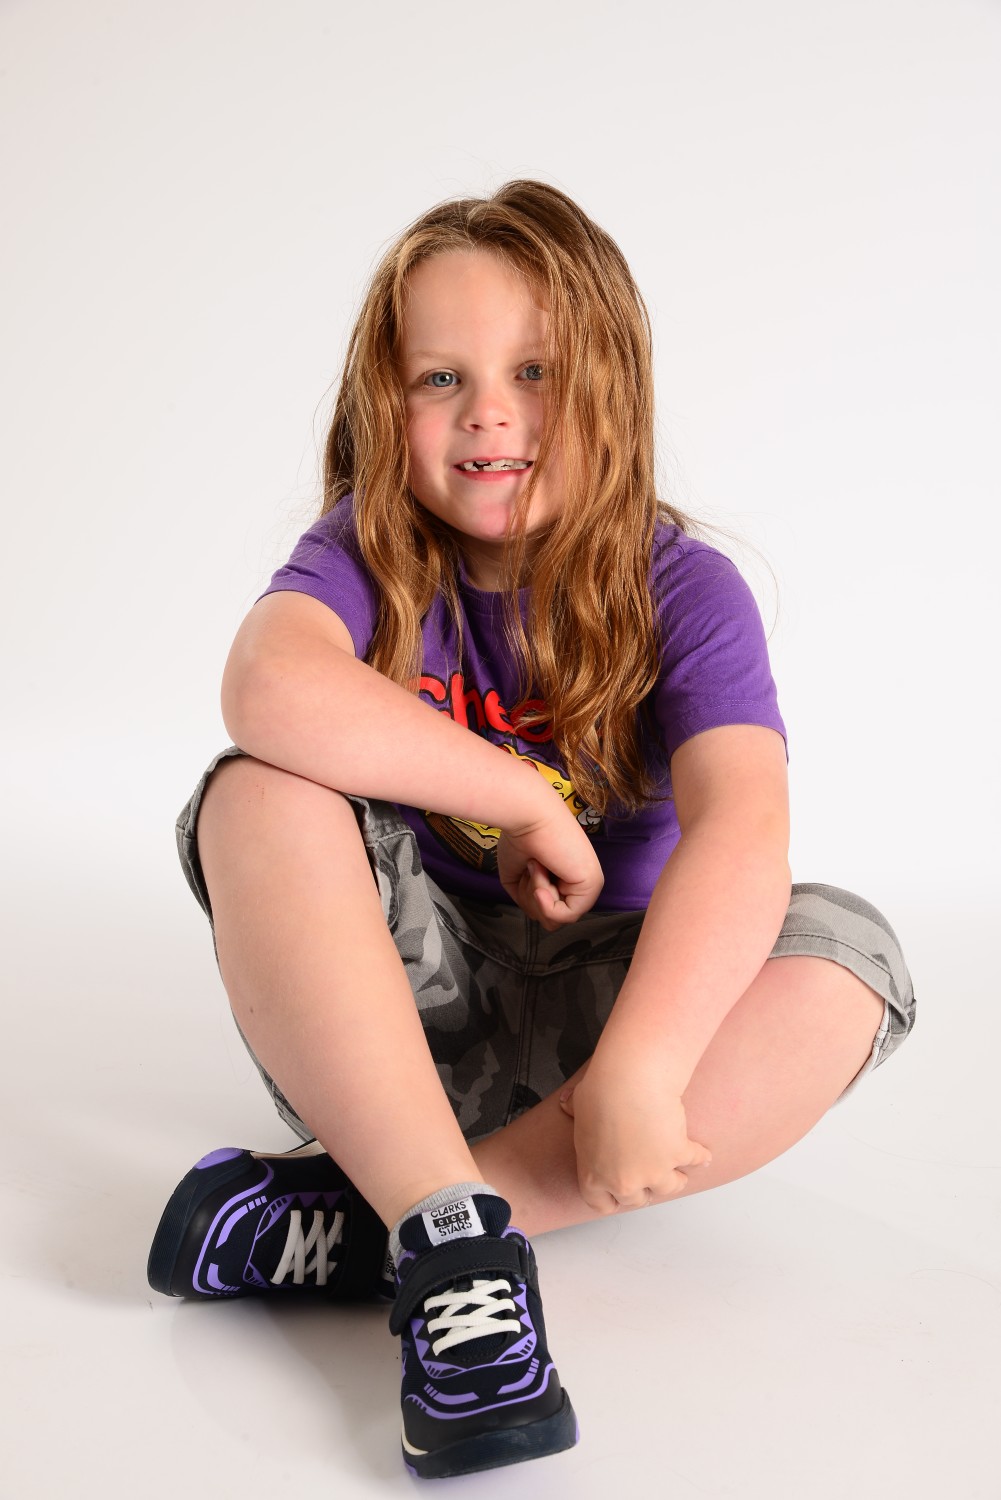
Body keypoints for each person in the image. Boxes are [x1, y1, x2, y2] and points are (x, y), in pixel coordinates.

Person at [148, 180, 916, 1480]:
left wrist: (643, 1067)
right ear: (381, 404)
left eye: (535, 371)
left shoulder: (685, 589)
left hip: (611, 1045)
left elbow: (745, 827)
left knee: (848, 962)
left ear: (612, 387)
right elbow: (266, 685)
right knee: (255, 788)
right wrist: (521, 795)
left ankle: (408, 1216)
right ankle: (446, 1229)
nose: (487, 410)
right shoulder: (366, 556)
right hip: (399, 1027)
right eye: (439, 376)